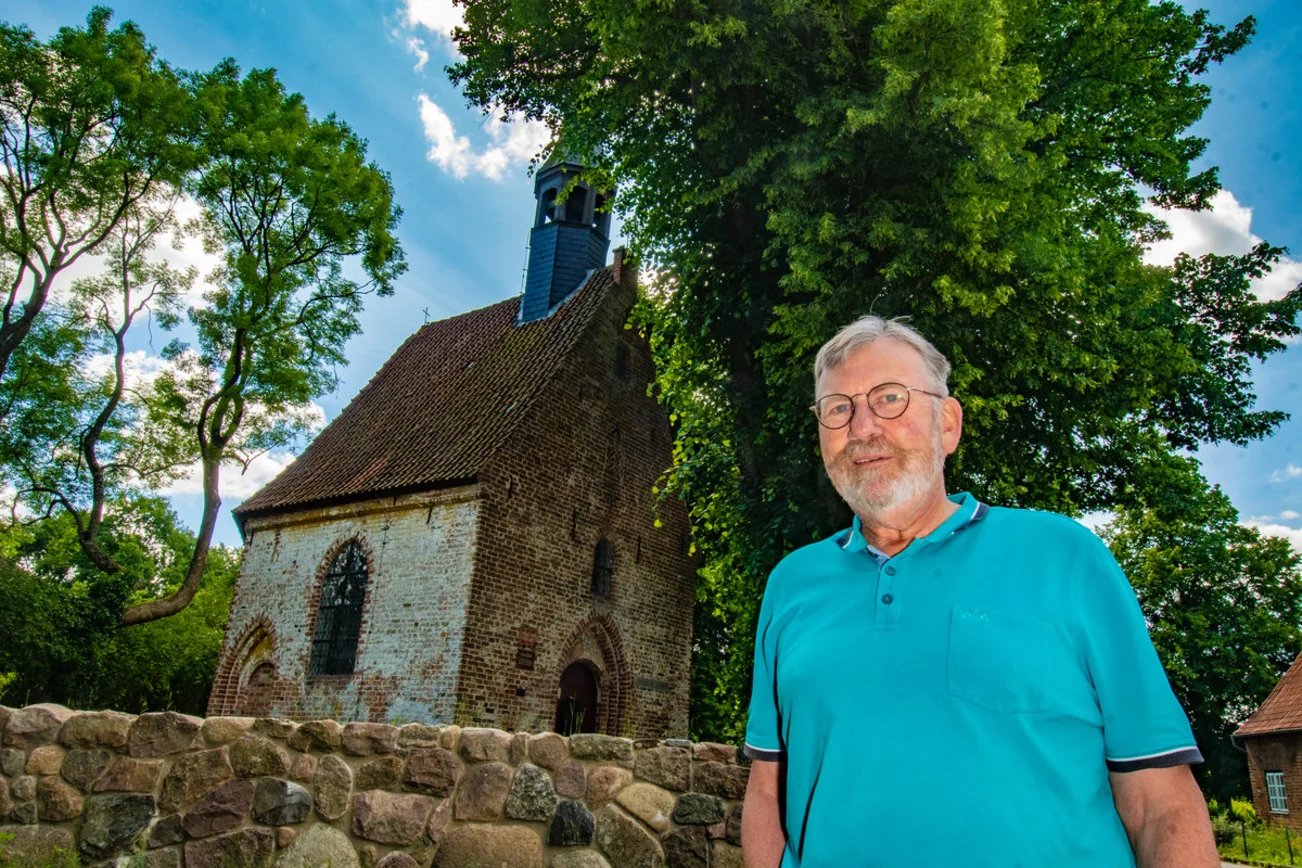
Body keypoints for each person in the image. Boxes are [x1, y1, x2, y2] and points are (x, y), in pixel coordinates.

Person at [740, 316, 1219, 867]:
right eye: (838, 408)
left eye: (890, 398)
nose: (862, 427)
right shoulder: (791, 585)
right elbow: (766, 790)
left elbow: (1160, 803)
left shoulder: (1065, 557)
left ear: (947, 423)